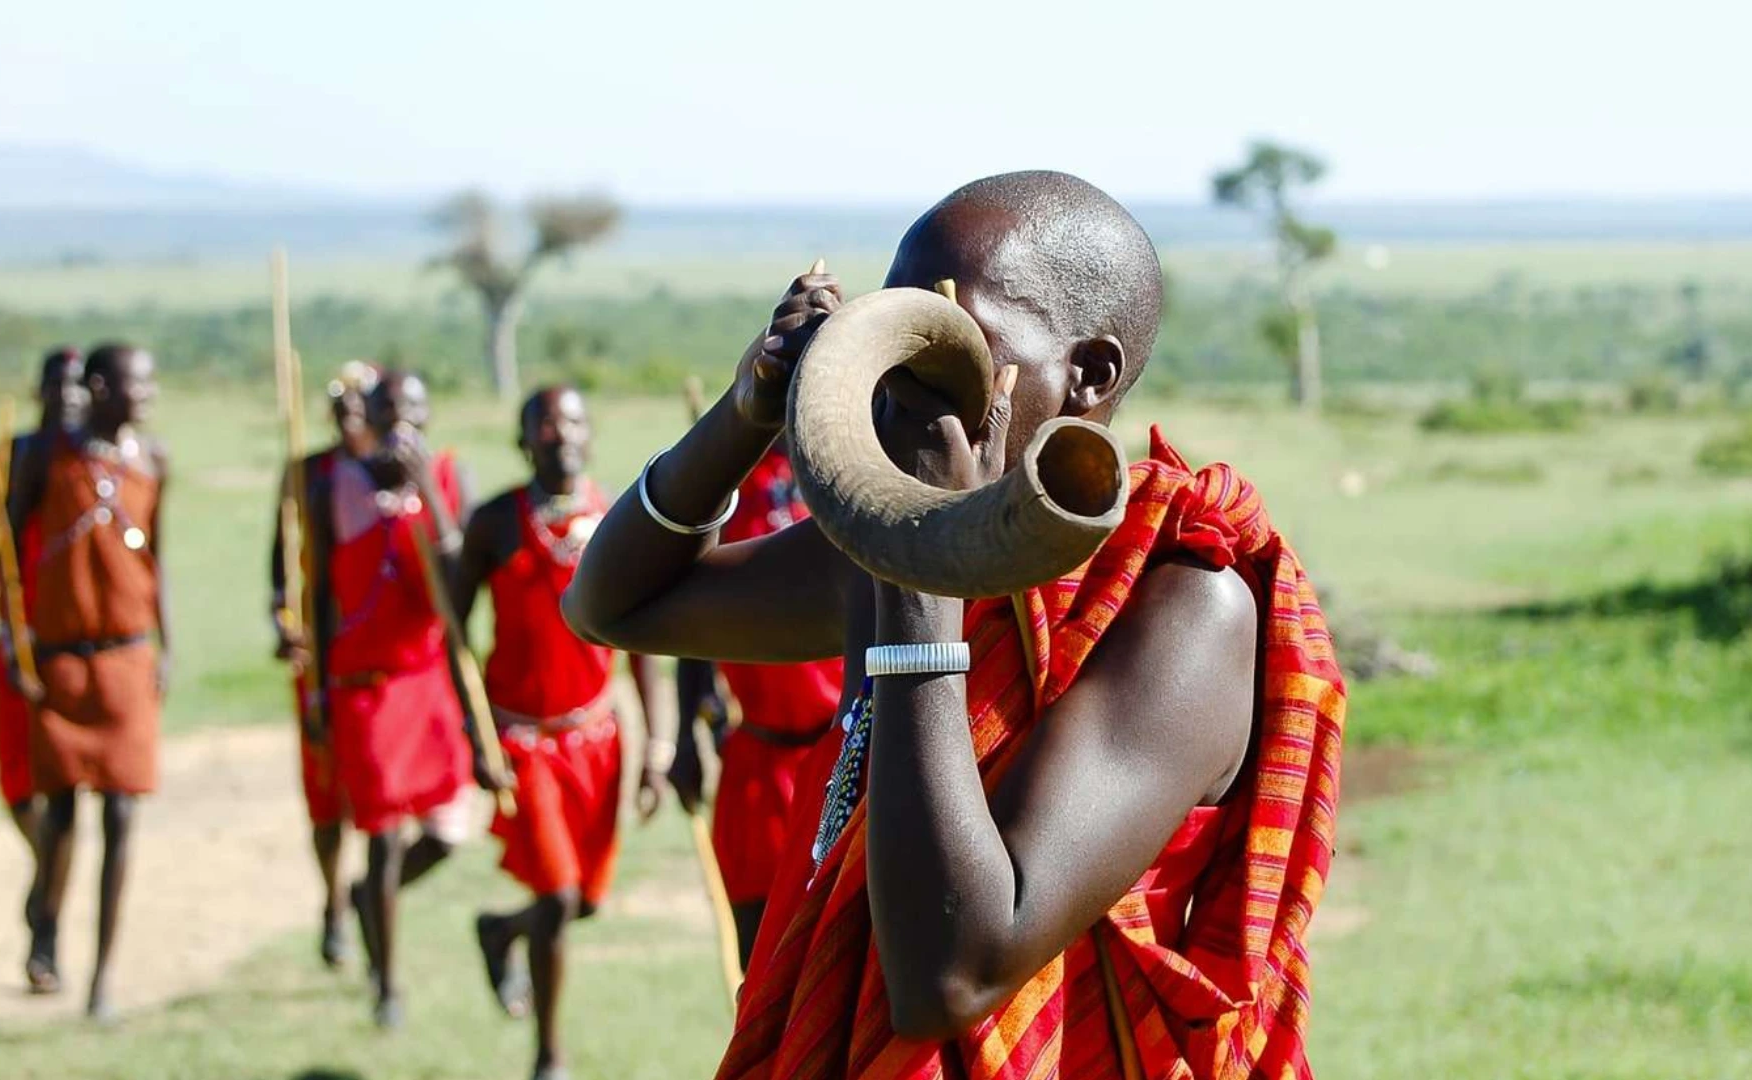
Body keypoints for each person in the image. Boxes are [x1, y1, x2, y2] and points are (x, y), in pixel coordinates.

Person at [565, 172, 1346, 1078]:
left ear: (1086, 375)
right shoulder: (884, 561)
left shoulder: (1185, 601)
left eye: (949, 335)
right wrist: (745, 416)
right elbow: (612, 604)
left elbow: (951, 974)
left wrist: (921, 559)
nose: (899, 370)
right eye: (893, 324)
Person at [453, 385, 671, 1080]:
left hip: (598, 739)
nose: (559, 433)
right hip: (522, 742)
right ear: (523, 441)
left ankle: (500, 930)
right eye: (543, 423)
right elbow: (452, 636)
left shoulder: (617, 520)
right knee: (557, 894)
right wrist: (473, 734)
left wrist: (657, 750)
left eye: (572, 420)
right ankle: (549, 1055)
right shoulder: (493, 524)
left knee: (586, 900)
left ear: (590, 433)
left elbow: (643, 647)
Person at [7, 342, 168, 1020]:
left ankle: (104, 976)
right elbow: (8, 553)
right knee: (62, 815)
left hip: (128, 659)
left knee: (124, 813)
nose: (147, 395)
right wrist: (10, 645)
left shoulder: (154, 459)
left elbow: (161, 557)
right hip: (60, 661)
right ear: (100, 388)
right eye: (136, 383)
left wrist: (169, 645)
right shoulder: (44, 456)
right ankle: (47, 930)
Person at [319, 369, 480, 1029]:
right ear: (372, 417)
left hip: (428, 680)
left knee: (446, 834)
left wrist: (425, 496)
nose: (400, 423)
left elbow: (458, 578)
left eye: (412, 409)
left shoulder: (446, 475)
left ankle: (365, 899)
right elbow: (321, 592)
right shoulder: (337, 484)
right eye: (388, 411)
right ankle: (387, 983)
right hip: (366, 685)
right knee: (382, 837)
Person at [668, 440, 843, 967]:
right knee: (760, 958)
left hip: (846, 757)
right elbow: (694, 616)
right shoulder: (722, 488)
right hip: (757, 760)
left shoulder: (856, 466)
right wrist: (685, 735)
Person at [0, 348, 84, 891]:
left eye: (79, 385)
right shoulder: (15, 456)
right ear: (39, 392)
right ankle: (48, 874)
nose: (68, 396)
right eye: (57, 385)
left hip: (74, 647)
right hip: (18, 645)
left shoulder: (93, 465)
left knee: (63, 782)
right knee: (16, 782)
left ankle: (48, 899)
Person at [268, 360, 380, 969]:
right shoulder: (308, 473)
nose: (348, 416)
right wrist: (284, 624)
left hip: (375, 660)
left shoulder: (389, 478)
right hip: (321, 658)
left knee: (380, 799)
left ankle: (368, 899)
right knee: (325, 794)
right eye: (339, 405)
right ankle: (334, 899)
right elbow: (279, 569)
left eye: (360, 404)